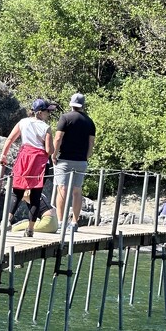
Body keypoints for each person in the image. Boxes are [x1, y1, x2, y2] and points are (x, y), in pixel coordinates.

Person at [0, 98, 54, 237]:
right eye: (47, 111)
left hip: (24, 158)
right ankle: (30, 229)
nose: (49, 114)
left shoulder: (23, 122)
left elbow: (10, 139)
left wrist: (3, 156)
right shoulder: (46, 128)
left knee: (17, 192)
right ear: (40, 113)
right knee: (35, 196)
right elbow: (49, 150)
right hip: (39, 162)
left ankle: (7, 221)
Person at [53, 92, 96, 230]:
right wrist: (87, 157)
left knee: (62, 189)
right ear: (83, 105)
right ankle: (74, 222)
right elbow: (91, 143)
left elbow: (58, 138)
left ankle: (60, 222)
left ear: (71, 104)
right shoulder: (89, 122)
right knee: (77, 191)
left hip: (64, 159)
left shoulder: (65, 118)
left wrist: (53, 154)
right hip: (81, 160)